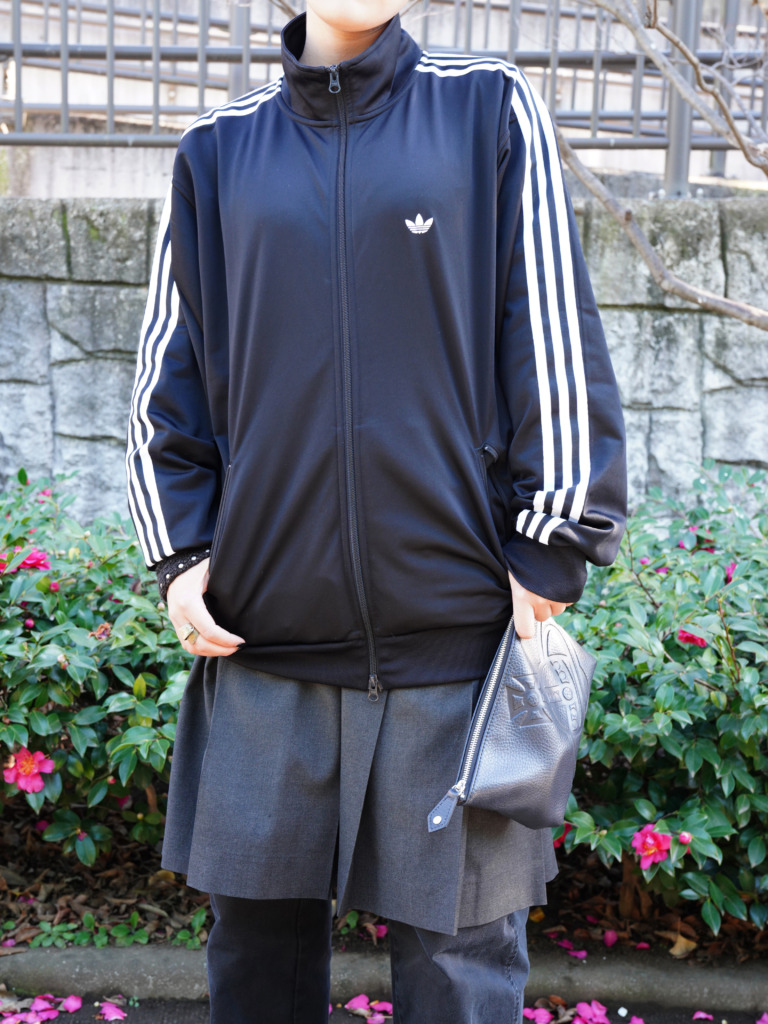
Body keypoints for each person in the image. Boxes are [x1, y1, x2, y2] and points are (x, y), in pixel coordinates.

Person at [125, 1, 627, 1020]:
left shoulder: (486, 108)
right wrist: (181, 552)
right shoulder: (218, 148)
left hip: (456, 641)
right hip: (263, 641)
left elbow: (551, 328)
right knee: (255, 966)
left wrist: (554, 538)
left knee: (458, 974)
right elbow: (168, 374)